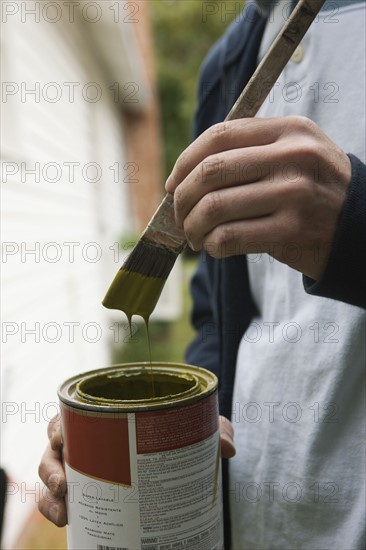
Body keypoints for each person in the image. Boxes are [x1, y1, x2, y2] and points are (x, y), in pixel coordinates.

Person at [38, 0, 366, 548]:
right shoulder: (227, 65)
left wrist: (355, 224)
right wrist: (183, 428)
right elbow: (217, 312)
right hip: (245, 520)